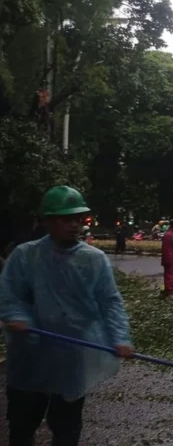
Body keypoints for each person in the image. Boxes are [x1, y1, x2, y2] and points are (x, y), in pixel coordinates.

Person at [0, 186, 133, 446]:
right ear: (47, 220)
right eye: (66, 219)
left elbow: (110, 302)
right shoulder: (25, 256)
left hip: (72, 353)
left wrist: (120, 337)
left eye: (78, 218)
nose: (74, 225)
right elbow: (10, 294)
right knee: (22, 423)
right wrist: (19, 317)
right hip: (30, 353)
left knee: (67, 426)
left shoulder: (94, 260)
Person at [160, 218, 173, 298]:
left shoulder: (167, 234)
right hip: (172, 257)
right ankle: (170, 290)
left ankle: (167, 289)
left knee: (167, 274)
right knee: (171, 275)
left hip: (166, 257)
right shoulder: (172, 235)